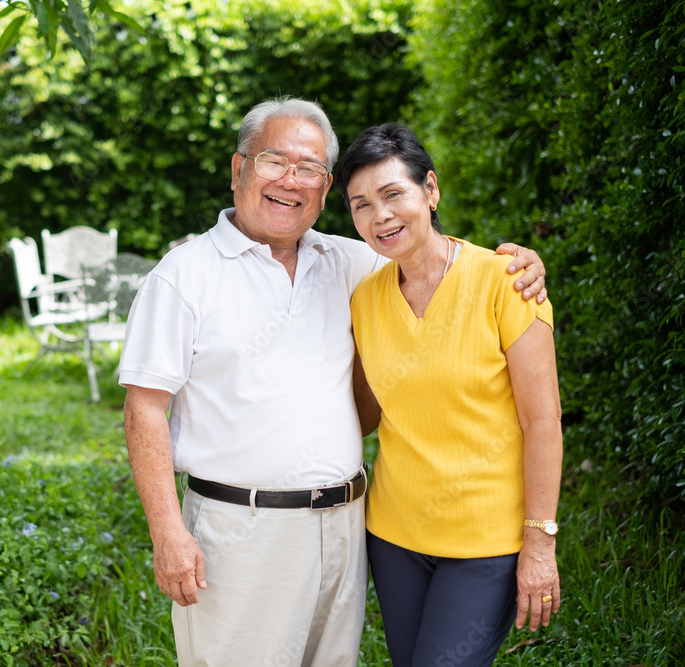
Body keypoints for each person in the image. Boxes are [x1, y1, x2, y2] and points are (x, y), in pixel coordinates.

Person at [119, 98, 547, 667]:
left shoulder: (354, 264)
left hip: (346, 530)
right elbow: (144, 410)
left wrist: (519, 263)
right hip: (239, 535)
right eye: (275, 161)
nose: (290, 181)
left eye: (311, 170)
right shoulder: (183, 277)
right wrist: (167, 533)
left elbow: (429, 255)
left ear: (324, 191)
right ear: (237, 169)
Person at [336, 122, 562, 666]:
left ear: (430, 190)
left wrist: (540, 540)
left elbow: (543, 422)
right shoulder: (365, 297)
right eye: (361, 204)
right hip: (393, 535)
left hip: (486, 540)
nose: (380, 215)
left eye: (393, 194)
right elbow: (366, 412)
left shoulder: (507, 282)